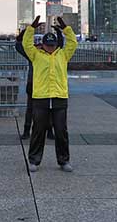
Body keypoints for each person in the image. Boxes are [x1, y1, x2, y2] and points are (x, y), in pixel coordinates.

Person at [23, 15, 77, 173]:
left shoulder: (63, 55)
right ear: (43, 45)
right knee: (38, 131)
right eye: (48, 45)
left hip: (59, 97)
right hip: (41, 98)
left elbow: (73, 43)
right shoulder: (36, 55)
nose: (50, 48)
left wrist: (66, 29)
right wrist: (31, 29)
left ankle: (64, 160)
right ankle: (34, 160)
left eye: (52, 45)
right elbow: (26, 44)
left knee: (61, 131)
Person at [15, 27, 63, 140]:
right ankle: (39, 131)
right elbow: (19, 46)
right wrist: (59, 33)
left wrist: (25, 32)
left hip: (39, 83)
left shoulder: (36, 52)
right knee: (38, 108)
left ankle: (33, 131)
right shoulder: (35, 53)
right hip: (34, 84)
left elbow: (18, 45)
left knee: (36, 108)